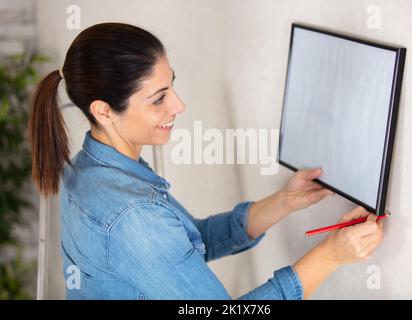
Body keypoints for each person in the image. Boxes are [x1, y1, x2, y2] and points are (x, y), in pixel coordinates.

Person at [28, 22, 384, 299]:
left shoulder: (90, 167)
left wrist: (283, 202)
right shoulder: (132, 215)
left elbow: (185, 245)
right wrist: (329, 257)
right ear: (104, 111)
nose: (178, 106)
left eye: (172, 86)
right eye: (158, 99)